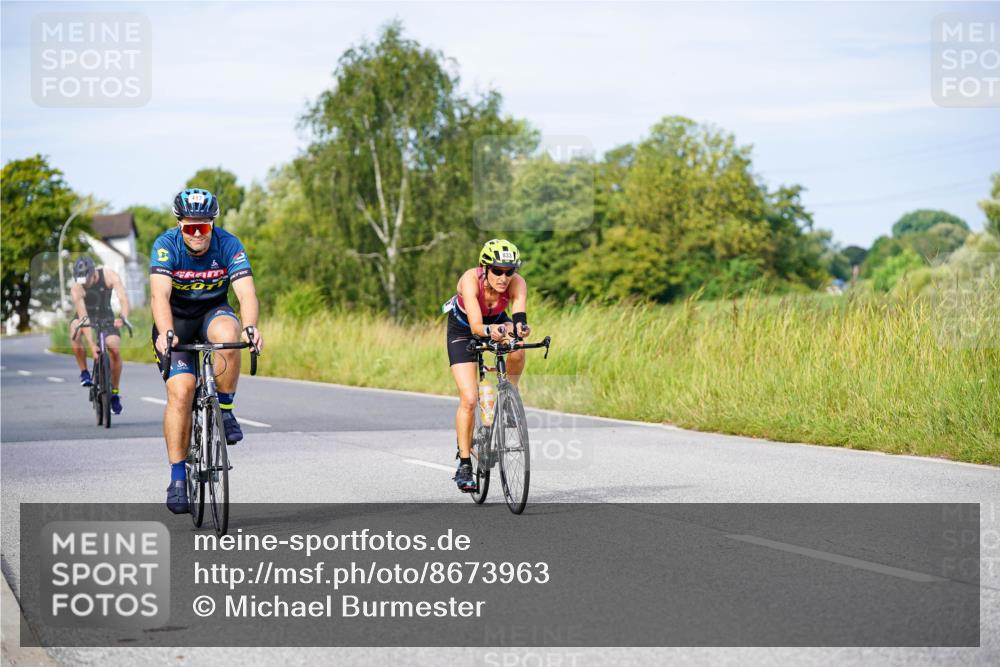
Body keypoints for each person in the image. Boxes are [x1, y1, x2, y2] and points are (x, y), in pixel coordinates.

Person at [150, 188, 263, 514]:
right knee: (182, 391)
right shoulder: (166, 246)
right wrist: (166, 332)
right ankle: (177, 478)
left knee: (229, 335)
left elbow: (247, 293)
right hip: (176, 321)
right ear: (180, 225)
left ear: (213, 224)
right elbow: (159, 296)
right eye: (191, 227)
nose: (198, 234)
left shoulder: (228, 244)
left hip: (213, 313)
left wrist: (251, 327)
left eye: (204, 226)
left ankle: (224, 408)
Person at [443, 239, 530, 493]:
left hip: (496, 321)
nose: (504, 278)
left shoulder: (517, 282)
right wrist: (495, 331)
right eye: (497, 271)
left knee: (518, 346)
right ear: (485, 268)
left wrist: (520, 329)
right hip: (464, 330)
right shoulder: (470, 280)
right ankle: (464, 464)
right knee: (470, 398)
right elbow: (477, 327)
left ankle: (510, 394)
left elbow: (519, 317)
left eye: (509, 271)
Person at [69, 256, 130, 415]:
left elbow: (123, 297)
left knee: (114, 349)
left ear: (93, 273)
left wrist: (123, 317)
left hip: (106, 316)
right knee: (74, 331)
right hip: (85, 316)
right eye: (80, 281)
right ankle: (84, 372)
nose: (84, 284)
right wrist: (91, 345)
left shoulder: (109, 275)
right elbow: (83, 317)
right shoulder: (77, 288)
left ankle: (114, 393)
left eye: (86, 280)